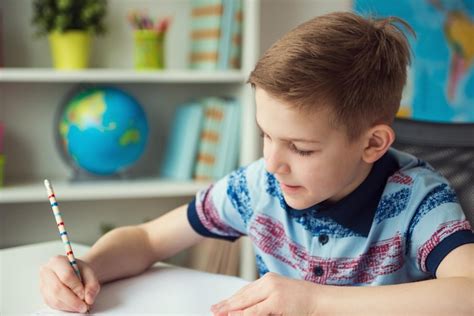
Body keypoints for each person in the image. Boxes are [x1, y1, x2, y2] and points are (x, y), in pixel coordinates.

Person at [40, 12, 474, 315]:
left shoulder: (418, 200)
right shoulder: (259, 187)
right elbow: (149, 239)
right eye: (266, 135)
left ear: (373, 143)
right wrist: (89, 267)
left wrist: (312, 302)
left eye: (301, 148)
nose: (272, 162)